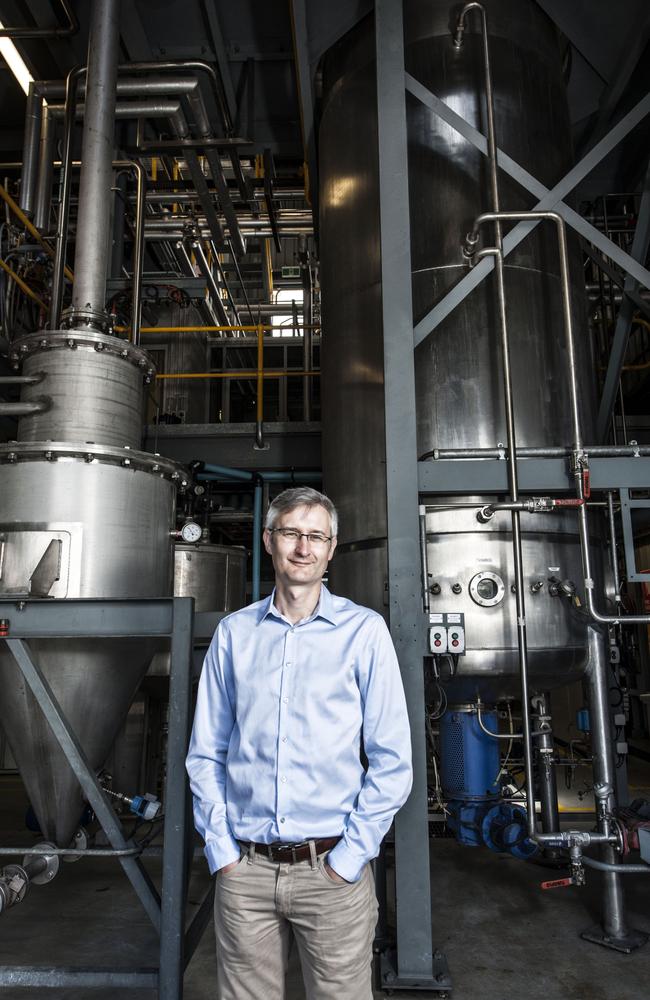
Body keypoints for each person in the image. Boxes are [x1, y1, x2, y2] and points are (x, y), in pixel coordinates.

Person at [186, 486, 412, 1000]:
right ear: (269, 541)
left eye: (316, 536)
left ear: (332, 548)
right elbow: (206, 754)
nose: (303, 547)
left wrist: (350, 858)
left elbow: (393, 762)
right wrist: (222, 850)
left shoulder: (364, 633)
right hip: (245, 871)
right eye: (291, 533)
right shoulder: (234, 635)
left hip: (331, 871)